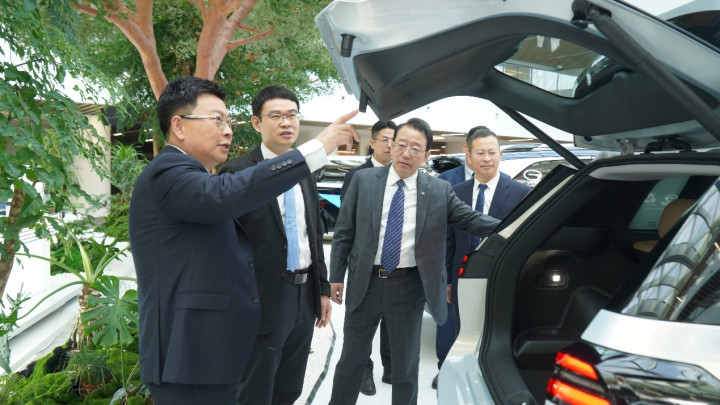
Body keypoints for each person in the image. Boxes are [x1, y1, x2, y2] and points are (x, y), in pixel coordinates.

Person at [128, 76, 358, 405]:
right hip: (189, 356)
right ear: (179, 126)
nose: (227, 131)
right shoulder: (168, 173)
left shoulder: (192, 174)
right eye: (217, 120)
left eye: (228, 121)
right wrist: (315, 149)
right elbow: (223, 195)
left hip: (210, 353)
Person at [328, 118, 501, 405]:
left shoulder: (438, 190)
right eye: (401, 145)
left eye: (415, 148)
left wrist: (515, 225)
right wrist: (336, 276)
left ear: (426, 155)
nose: (406, 153)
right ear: (391, 145)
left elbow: (471, 220)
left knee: (406, 368)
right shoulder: (364, 181)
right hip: (365, 282)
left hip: (408, 288)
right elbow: (344, 232)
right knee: (351, 361)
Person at [217, 85, 330, 405]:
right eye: (276, 115)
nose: (286, 122)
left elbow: (313, 235)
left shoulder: (304, 172)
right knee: (256, 387)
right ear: (257, 123)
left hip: (303, 296)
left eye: (292, 115)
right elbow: (225, 245)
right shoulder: (238, 172)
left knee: (289, 387)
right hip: (261, 297)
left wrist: (321, 289)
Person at [433, 126, 531, 389]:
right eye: (480, 153)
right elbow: (448, 240)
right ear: (469, 156)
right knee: (458, 332)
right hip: (462, 275)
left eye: (491, 152)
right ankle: (454, 377)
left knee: (494, 333)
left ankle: (488, 381)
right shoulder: (455, 191)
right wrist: (447, 280)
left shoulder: (521, 192)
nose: (486, 158)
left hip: (501, 275)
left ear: (500, 155)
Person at [339, 120, 396, 396]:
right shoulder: (357, 176)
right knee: (361, 323)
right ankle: (364, 370)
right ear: (372, 143)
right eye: (385, 139)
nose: (390, 145)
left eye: (395, 140)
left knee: (393, 320)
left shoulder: (405, 175)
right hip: (363, 265)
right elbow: (345, 224)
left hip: (396, 263)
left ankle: (391, 367)